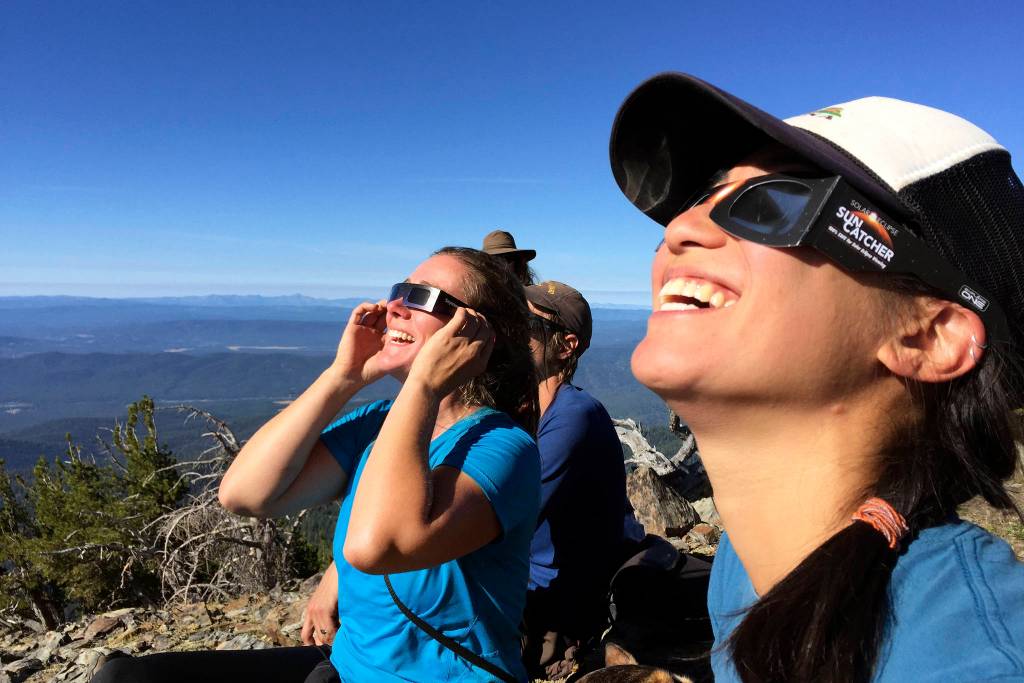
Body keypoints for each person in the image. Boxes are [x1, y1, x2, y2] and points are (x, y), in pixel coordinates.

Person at [607, 73, 1024, 682]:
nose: (680, 229)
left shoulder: (973, 658)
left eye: (777, 201)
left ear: (928, 336)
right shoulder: (745, 563)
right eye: (703, 196)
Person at [92, 246, 541, 683]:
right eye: (399, 290)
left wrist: (421, 387)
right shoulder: (375, 425)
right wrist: (342, 377)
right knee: (124, 676)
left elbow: (376, 547)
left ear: (478, 335)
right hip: (346, 666)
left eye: (422, 297)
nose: (395, 307)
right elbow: (245, 494)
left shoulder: (502, 448)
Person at [519, 281, 639, 680]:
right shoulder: (531, 409)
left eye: (528, 324)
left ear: (565, 345)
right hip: (532, 586)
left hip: (553, 606)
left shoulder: (574, 416)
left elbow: (497, 515)